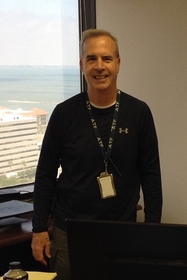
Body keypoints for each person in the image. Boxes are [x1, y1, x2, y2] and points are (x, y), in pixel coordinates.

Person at [31, 28, 163, 280]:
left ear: (118, 63)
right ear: (82, 64)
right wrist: (39, 230)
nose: (99, 66)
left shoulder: (138, 113)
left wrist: (152, 232)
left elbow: (151, 174)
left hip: (122, 231)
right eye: (91, 59)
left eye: (106, 58)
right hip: (69, 233)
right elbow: (45, 174)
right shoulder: (64, 113)